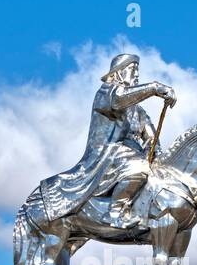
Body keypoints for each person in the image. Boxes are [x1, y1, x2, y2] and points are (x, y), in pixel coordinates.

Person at [34, 53, 177, 228]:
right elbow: (118, 100)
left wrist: (155, 151)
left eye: (137, 70)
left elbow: (151, 136)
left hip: (132, 154)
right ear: (118, 73)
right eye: (133, 70)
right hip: (108, 154)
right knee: (138, 168)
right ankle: (115, 213)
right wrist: (155, 87)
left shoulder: (138, 111)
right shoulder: (106, 93)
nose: (137, 75)